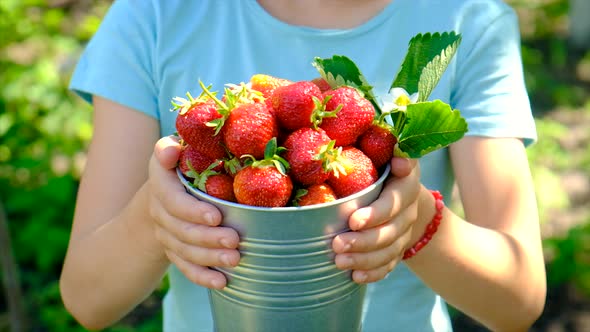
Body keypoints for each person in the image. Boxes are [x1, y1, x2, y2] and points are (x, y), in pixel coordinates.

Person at [59, 0, 547, 331]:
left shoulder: (467, 18)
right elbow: (88, 297)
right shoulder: (154, 15)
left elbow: (517, 300)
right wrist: (156, 219)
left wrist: (417, 221)